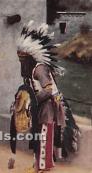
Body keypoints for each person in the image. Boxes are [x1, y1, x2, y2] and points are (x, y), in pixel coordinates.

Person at [16, 21, 67, 173]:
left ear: (30, 58)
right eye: (19, 59)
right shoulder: (31, 71)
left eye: (23, 59)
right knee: (37, 136)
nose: (21, 63)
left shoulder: (39, 69)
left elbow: (49, 89)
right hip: (40, 108)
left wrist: (32, 100)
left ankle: (44, 167)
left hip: (47, 108)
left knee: (44, 137)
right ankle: (37, 165)